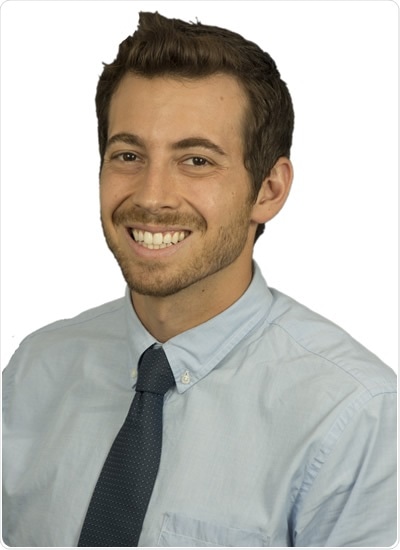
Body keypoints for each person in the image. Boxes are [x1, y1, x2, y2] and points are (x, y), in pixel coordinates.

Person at [2, 11, 396, 548]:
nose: (151, 196)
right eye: (128, 155)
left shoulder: (356, 416)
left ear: (269, 190)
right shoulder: (34, 371)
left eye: (196, 160)